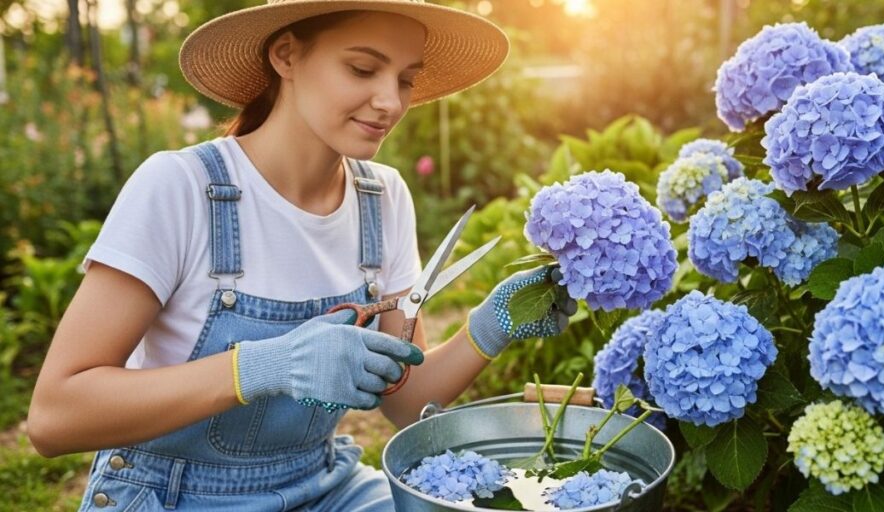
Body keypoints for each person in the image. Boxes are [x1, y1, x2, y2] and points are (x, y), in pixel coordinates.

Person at [26, 1, 576, 510]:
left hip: (323, 486)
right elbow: (56, 416)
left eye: (406, 79)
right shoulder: (181, 186)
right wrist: (262, 366)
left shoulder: (382, 198)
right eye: (363, 70)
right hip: (175, 495)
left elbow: (405, 403)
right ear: (286, 55)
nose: (390, 101)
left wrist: (490, 327)